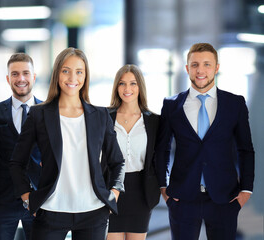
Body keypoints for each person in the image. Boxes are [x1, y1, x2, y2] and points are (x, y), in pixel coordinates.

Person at [9, 47, 125, 240]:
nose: (73, 77)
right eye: (66, 70)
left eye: (79, 71)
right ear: (57, 74)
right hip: (50, 210)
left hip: (94, 211)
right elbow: (16, 163)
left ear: (85, 76)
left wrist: (113, 193)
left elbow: (117, 162)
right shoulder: (39, 114)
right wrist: (27, 197)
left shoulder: (100, 115)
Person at [155, 43, 255, 240]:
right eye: (195, 65)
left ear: (216, 68)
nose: (200, 70)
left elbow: (245, 149)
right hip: (182, 198)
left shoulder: (235, 104)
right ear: (187, 68)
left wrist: (245, 190)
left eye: (207, 64)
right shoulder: (171, 105)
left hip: (225, 198)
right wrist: (164, 188)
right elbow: (162, 149)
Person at [0, 53, 42, 240]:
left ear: (34, 76)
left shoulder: (48, 112)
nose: (20, 79)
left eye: (25, 73)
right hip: (3, 201)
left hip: (39, 200)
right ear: (8, 78)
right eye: (15, 74)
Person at [106, 65, 160, 240]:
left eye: (132, 83)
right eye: (122, 83)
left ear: (140, 87)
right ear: (116, 87)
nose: (127, 89)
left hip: (141, 192)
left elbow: (159, 159)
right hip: (111, 189)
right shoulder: (104, 117)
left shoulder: (154, 121)